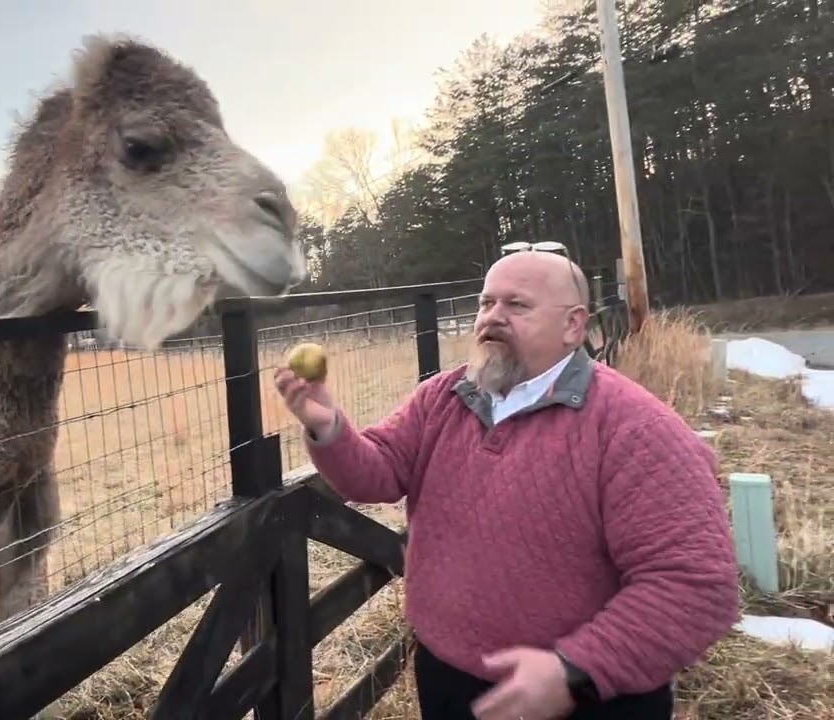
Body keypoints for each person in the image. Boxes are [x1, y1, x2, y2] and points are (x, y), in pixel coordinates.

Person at [273, 250, 740, 720]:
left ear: (573, 326)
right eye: (485, 303)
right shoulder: (446, 396)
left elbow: (695, 585)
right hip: (447, 680)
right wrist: (328, 427)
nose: (492, 318)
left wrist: (575, 670)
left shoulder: (634, 428)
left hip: (581, 699)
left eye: (516, 306)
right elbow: (376, 473)